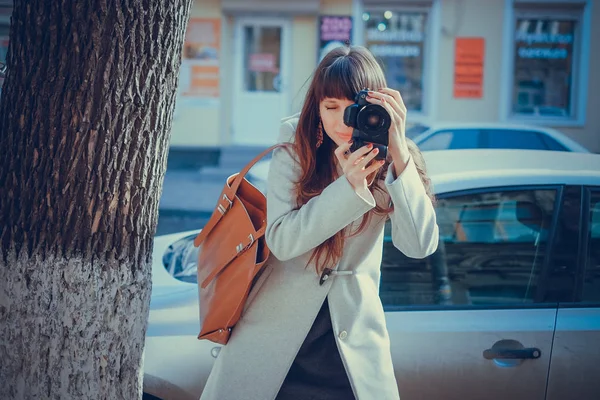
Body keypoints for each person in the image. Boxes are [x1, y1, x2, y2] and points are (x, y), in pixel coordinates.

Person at [200, 45, 439, 400]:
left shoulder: (395, 158)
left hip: (351, 349)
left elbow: (419, 245)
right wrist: (348, 188)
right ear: (317, 107)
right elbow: (282, 240)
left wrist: (400, 152)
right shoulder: (294, 154)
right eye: (331, 108)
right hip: (276, 346)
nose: (344, 121)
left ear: (380, 107)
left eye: (355, 108)